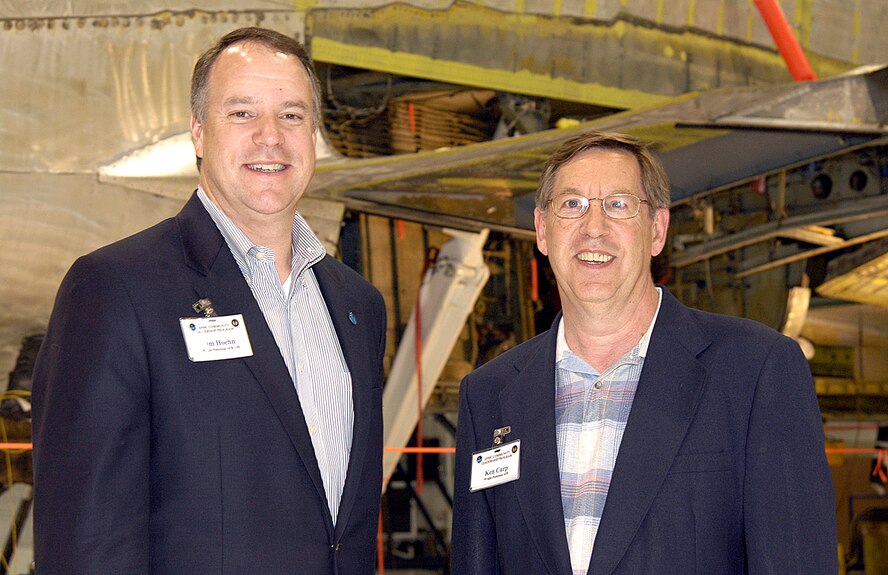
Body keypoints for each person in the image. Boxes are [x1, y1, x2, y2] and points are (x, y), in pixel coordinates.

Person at [31, 27, 386, 574]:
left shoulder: (358, 305)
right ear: (198, 132)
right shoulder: (116, 288)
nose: (270, 136)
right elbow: (87, 537)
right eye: (242, 113)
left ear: (313, 134)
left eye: (292, 115)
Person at [451, 130, 837, 574]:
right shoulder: (488, 395)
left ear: (657, 230)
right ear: (542, 230)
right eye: (572, 204)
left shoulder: (755, 371)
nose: (593, 227)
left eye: (618, 205)